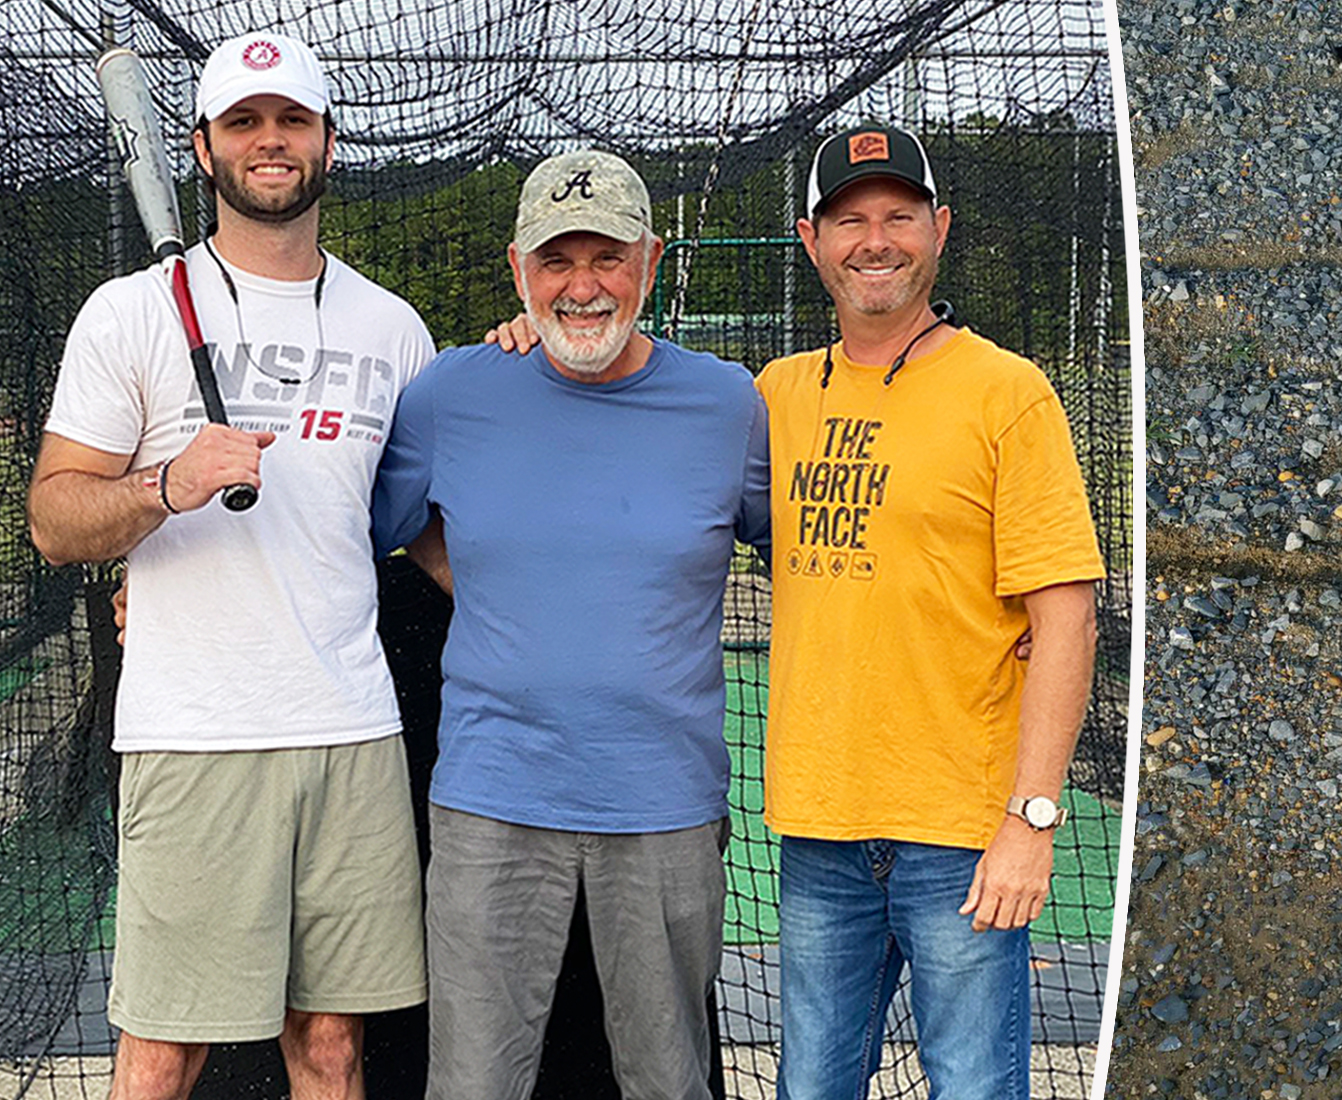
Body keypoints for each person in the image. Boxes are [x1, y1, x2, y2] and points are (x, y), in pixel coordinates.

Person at [26, 31, 431, 1100]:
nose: (270, 142)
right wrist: (164, 486)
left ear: (328, 143)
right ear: (202, 148)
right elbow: (53, 520)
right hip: (196, 733)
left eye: (291, 120)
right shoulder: (128, 314)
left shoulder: (392, 328)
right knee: (163, 1053)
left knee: (333, 1047)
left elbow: (427, 515)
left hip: (351, 725)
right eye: (244, 122)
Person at [369, 149, 768, 1100]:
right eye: (558, 261)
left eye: (607, 258)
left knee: (670, 1082)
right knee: (471, 1084)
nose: (582, 287)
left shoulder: (730, 405)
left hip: (667, 805)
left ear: (650, 261)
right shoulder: (450, 394)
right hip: (489, 800)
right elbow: (377, 523)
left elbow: (808, 554)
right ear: (519, 269)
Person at [761, 125, 1102, 1098]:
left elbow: (1067, 617)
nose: (877, 239)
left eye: (899, 216)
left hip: (962, 830)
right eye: (851, 218)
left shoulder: (1008, 392)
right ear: (811, 239)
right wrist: (531, 333)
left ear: (939, 228)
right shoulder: (778, 395)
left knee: (971, 1085)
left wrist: (1030, 819)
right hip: (819, 823)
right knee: (811, 1084)